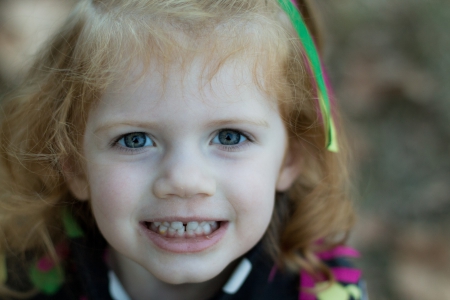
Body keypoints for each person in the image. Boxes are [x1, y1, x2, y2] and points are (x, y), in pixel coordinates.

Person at [0, 0, 367, 299]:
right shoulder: (25, 280)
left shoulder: (322, 289)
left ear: (290, 157)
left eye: (229, 137)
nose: (185, 180)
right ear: (74, 166)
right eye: (135, 140)